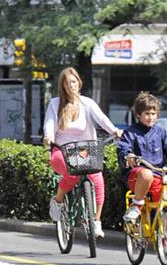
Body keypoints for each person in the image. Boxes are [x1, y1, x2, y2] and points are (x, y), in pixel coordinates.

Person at [43, 67, 122, 239]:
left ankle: (96, 222)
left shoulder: (87, 103)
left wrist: (114, 130)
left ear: (79, 83)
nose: (71, 85)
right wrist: (48, 136)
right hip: (61, 151)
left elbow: (101, 119)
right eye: (67, 82)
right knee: (72, 173)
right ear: (62, 86)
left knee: (98, 178)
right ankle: (58, 201)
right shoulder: (55, 104)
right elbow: (49, 123)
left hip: (85, 150)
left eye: (74, 81)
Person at [117, 92, 167, 222]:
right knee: (146, 174)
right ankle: (136, 206)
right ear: (138, 115)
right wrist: (128, 156)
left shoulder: (161, 132)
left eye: (153, 114)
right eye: (146, 114)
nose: (150, 117)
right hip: (137, 175)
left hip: (158, 174)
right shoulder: (130, 132)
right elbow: (123, 148)